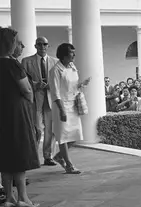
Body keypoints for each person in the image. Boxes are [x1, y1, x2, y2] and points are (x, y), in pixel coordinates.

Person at [0, 27, 40, 207]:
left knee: (5, 154)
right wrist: (30, 104)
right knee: (19, 151)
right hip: (16, 111)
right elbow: (26, 90)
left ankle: (9, 198)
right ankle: (23, 197)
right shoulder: (12, 64)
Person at [50, 43, 90, 174]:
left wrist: (81, 85)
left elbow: (72, 85)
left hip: (73, 104)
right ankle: (69, 165)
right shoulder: (55, 70)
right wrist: (61, 110)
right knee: (63, 136)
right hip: (61, 105)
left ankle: (59, 156)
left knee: (75, 134)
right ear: (64, 54)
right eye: (72, 52)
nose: (74, 55)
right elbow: (55, 92)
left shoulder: (72, 66)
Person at [21, 36, 58, 166]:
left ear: (48, 46)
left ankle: (48, 156)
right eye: (40, 44)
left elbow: (59, 81)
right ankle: (33, 157)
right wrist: (35, 85)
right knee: (36, 129)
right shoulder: (26, 61)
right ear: (35, 46)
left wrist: (51, 86)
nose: (42, 46)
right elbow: (23, 79)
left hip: (49, 98)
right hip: (34, 98)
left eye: (45, 44)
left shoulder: (55, 62)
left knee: (50, 129)